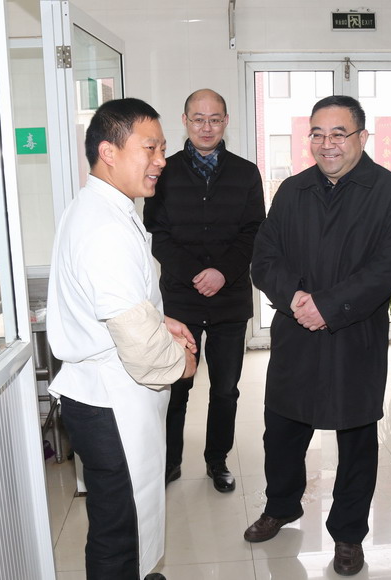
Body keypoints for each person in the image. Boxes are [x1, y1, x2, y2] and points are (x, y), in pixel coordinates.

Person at [245, 95, 391, 577]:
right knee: (282, 430)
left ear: (362, 137)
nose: (327, 144)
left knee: (356, 440)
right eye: (317, 134)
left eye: (339, 133)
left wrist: (328, 306)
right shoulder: (292, 190)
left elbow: (388, 268)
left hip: (354, 335)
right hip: (296, 331)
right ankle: (281, 506)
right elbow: (264, 258)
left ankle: (348, 533)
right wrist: (297, 297)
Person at [47, 97, 198, 580]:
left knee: (126, 512)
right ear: (108, 152)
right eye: (149, 148)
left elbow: (119, 303)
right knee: (118, 527)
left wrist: (159, 319)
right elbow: (135, 339)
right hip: (108, 401)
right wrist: (181, 364)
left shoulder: (104, 207)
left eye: (163, 148)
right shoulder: (104, 225)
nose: (161, 160)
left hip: (108, 392)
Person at [143, 89, 265, 492]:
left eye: (214, 119)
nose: (206, 127)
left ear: (226, 121)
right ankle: (171, 461)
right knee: (177, 384)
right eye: (198, 119)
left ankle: (217, 460)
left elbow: (254, 231)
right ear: (185, 121)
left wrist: (222, 273)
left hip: (230, 299)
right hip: (181, 300)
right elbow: (157, 233)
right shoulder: (164, 172)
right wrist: (197, 274)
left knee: (226, 389)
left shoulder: (246, 173)